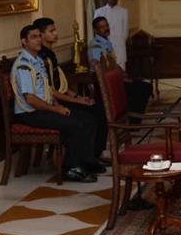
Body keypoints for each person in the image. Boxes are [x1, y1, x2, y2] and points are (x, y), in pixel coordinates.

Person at [11, 23, 99, 182]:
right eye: (33, 37)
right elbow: (30, 99)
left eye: (39, 36)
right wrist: (55, 109)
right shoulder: (23, 65)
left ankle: (86, 161)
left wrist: (74, 100)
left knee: (87, 118)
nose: (38, 40)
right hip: (30, 113)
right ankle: (71, 168)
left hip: (44, 108)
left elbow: (50, 90)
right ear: (24, 41)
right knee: (74, 123)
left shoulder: (37, 61)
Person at [35, 17, 108, 165]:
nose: (56, 34)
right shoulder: (42, 58)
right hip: (52, 102)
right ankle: (86, 158)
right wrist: (77, 100)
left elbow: (59, 83)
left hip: (59, 97)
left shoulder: (50, 54)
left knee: (98, 108)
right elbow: (51, 90)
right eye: (51, 31)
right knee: (91, 113)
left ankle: (93, 154)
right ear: (41, 35)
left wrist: (76, 95)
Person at [92, 15, 152, 114]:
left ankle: (133, 118)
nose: (106, 28)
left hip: (115, 79)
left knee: (142, 85)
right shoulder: (96, 46)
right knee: (143, 88)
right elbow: (102, 68)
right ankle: (133, 120)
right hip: (107, 83)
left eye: (107, 25)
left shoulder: (106, 43)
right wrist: (122, 78)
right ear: (95, 30)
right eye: (102, 27)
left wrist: (123, 73)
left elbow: (112, 63)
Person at [93, 0, 130, 65]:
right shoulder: (99, 12)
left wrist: (119, 41)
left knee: (120, 72)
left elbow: (125, 31)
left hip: (119, 47)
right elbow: (96, 31)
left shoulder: (123, 12)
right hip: (104, 48)